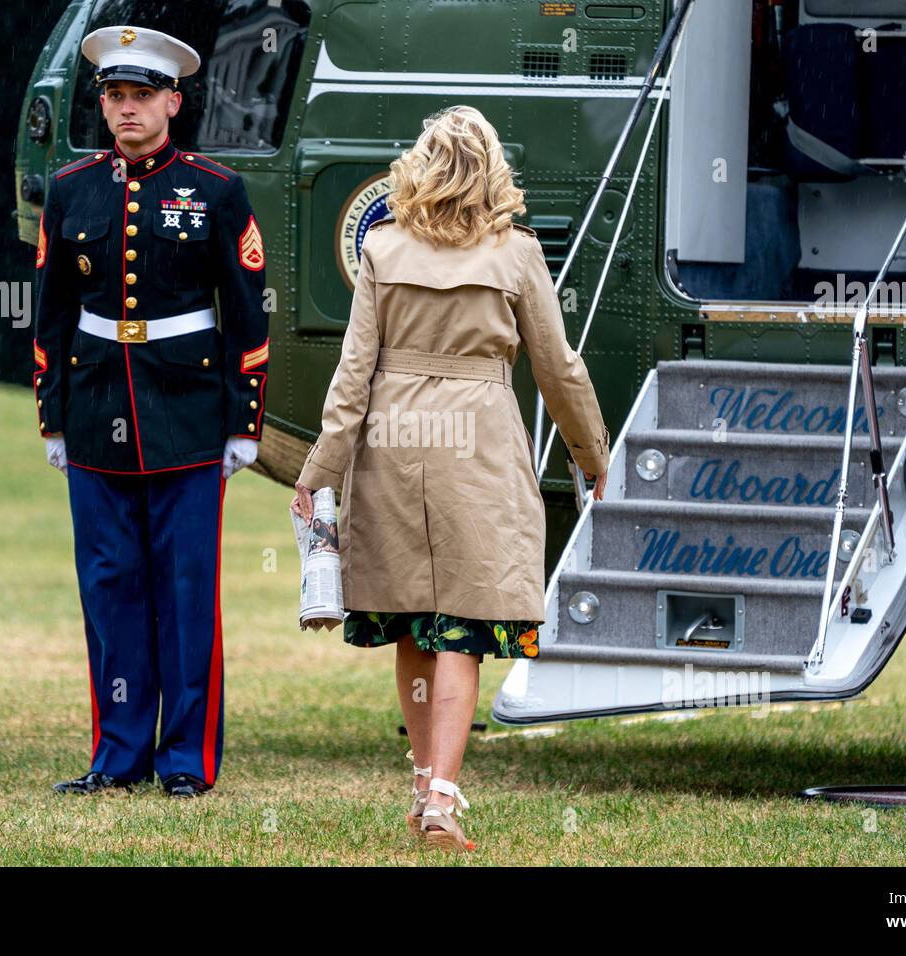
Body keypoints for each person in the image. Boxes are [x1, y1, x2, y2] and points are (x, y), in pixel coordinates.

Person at [290, 105, 609, 850]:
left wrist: (319, 471)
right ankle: (441, 798)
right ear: (495, 174)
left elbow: (352, 375)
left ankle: (421, 780)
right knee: (461, 627)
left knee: (410, 621)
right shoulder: (518, 253)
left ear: (419, 168)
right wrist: (590, 456)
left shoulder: (384, 247)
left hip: (394, 442)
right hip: (479, 445)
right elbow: (560, 370)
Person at [34, 25, 269, 797]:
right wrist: (54, 416)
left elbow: (245, 314)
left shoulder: (214, 190)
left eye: (141, 95)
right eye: (114, 96)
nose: (127, 109)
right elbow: (51, 314)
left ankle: (185, 762)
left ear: (174, 100)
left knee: (185, 590)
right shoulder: (71, 190)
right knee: (110, 589)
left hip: (189, 416)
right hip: (98, 404)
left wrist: (243, 421)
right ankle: (117, 756)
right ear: (102, 105)